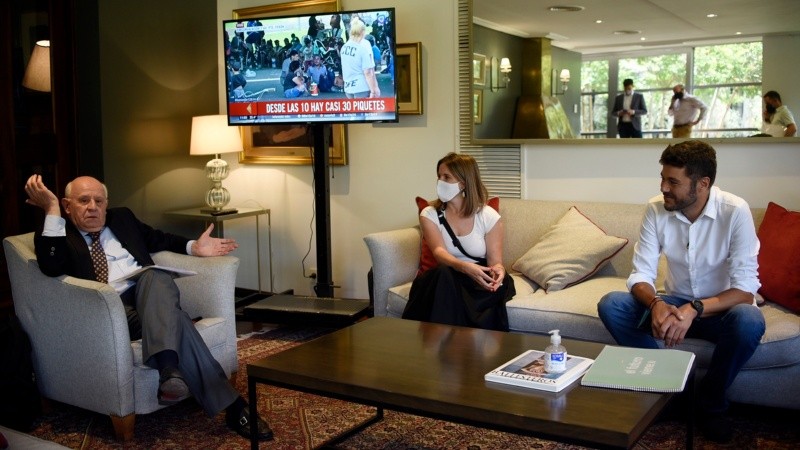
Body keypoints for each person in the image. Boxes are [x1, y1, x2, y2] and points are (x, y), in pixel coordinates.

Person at [23, 175, 273, 441]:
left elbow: (158, 239)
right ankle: (235, 407)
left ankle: (170, 372)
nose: (92, 207)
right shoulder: (58, 233)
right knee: (177, 320)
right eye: (83, 201)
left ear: (107, 204)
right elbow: (51, 268)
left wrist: (194, 247)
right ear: (67, 205)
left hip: (148, 298)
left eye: (99, 201)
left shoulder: (122, 219)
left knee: (155, 276)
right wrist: (50, 210)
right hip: (108, 311)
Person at [597, 141, 765, 443]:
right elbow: (640, 275)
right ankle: (674, 392)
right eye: (662, 178)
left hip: (720, 309)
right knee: (612, 304)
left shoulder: (735, 211)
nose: (663, 187)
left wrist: (695, 308)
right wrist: (657, 304)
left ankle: (710, 405)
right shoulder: (655, 209)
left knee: (750, 321)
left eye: (673, 181)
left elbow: (745, 288)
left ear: (703, 184)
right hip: (673, 302)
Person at [401, 153, 516, 331]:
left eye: (446, 177)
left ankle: (463, 346)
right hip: (448, 274)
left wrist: (498, 271)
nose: (440, 181)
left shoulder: (488, 216)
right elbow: (439, 252)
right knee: (442, 276)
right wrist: (463, 267)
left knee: (495, 285)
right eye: (439, 176)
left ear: (463, 183)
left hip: (478, 277)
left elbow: (495, 262)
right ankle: (444, 345)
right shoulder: (430, 214)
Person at [339, 17, 380, 99]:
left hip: (348, 88)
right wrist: (373, 90)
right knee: (362, 112)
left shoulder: (344, 48)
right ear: (363, 32)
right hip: (362, 88)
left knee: (353, 111)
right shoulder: (363, 48)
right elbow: (368, 72)